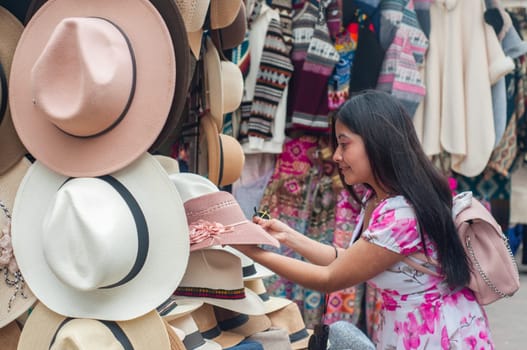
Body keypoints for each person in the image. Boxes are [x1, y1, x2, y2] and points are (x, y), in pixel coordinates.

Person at [233, 90, 494, 349]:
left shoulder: (402, 215)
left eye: (344, 144)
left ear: (378, 141)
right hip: (422, 329)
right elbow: (349, 261)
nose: (336, 156)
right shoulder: (384, 202)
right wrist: (286, 235)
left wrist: (253, 253)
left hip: (438, 335)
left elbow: (330, 278)